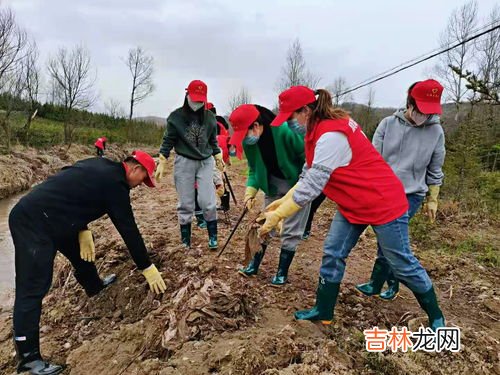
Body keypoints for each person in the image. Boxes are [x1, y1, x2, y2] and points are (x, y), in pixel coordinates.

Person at [259, 86, 445, 330]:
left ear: (305, 110)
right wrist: (281, 202)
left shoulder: (331, 135)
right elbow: (308, 172)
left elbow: (313, 186)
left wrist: (279, 215)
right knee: (333, 252)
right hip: (353, 203)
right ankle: (323, 310)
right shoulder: (317, 129)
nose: (290, 123)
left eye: (291, 117)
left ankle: (436, 316)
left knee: (401, 263)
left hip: (383, 202)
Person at [9, 150, 167, 375]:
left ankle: (93, 285)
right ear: (135, 168)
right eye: (143, 179)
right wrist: (146, 267)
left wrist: (82, 227)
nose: (140, 185)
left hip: (56, 218)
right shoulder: (116, 186)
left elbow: (70, 186)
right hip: (33, 221)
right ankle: (28, 359)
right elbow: (128, 230)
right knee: (32, 288)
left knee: (81, 254)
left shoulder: (100, 164)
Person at [355, 79, 445, 301]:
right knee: (387, 241)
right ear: (410, 103)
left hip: (411, 195)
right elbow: (371, 160)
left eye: (430, 112)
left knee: (392, 241)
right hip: (383, 192)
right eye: (421, 110)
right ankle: (380, 283)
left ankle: (386, 284)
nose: (425, 116)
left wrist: (433, 198)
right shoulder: (387, 124)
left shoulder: (436, 132)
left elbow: (435, 168)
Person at [229, 104, 310, 286]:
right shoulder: (249, 142)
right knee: (265, 224)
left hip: (296, 185)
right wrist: (250, 191)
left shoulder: (284, 132)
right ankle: (254, 264)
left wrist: (302, 187)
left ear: (256, 126)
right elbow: (253, 169)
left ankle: (282, 272)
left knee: (291, 229)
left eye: (245, 133)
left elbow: (307, 158)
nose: (244, 139)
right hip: (271, 185)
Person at [155, 80, 225, 249]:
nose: (197, 103)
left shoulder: (210, 118)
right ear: (187, 96)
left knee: (207, 200)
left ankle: (213, 237)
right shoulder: (175, 117)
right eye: (194, 99)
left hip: (205, 162)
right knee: (186, 202)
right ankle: (186, 240)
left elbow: (212, 140)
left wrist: (218, 154)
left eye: (201, 101)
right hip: (184, 161)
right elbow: (168, 140)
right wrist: (163, 159)